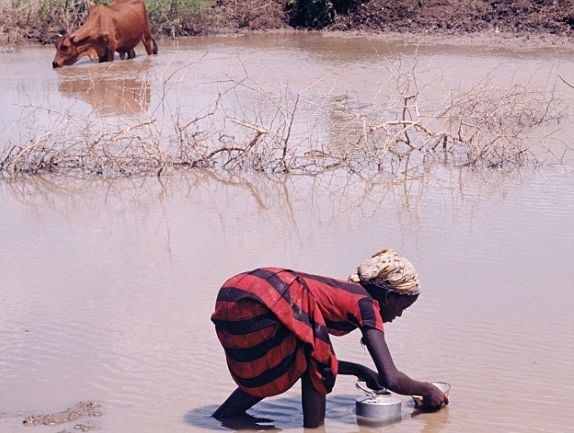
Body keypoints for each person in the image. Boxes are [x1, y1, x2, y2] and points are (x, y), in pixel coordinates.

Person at [211, 248, 449, 428]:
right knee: (318, 367)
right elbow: (392, 378)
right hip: (266, 296)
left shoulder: (347, 292)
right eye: (402, 308)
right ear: (389, 297)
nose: (398, 315)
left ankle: (224, 419)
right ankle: (314, 429)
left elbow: (312, 353)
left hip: (240, 291)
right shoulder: (367, 305)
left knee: (298, 358)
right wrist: (427, 390)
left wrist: (359, 370)